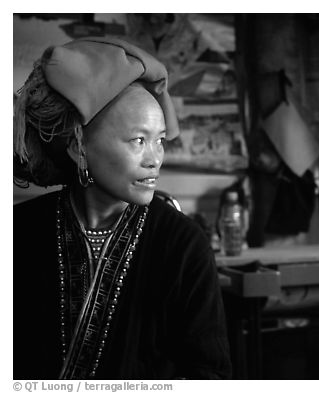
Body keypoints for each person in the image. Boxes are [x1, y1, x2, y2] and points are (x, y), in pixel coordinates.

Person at [13, 36, 231, 379]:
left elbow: (209, 374)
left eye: (159, 141)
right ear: (78, 147)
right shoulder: (19, 231)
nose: (155, 159)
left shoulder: (183, 244)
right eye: (138, 140)